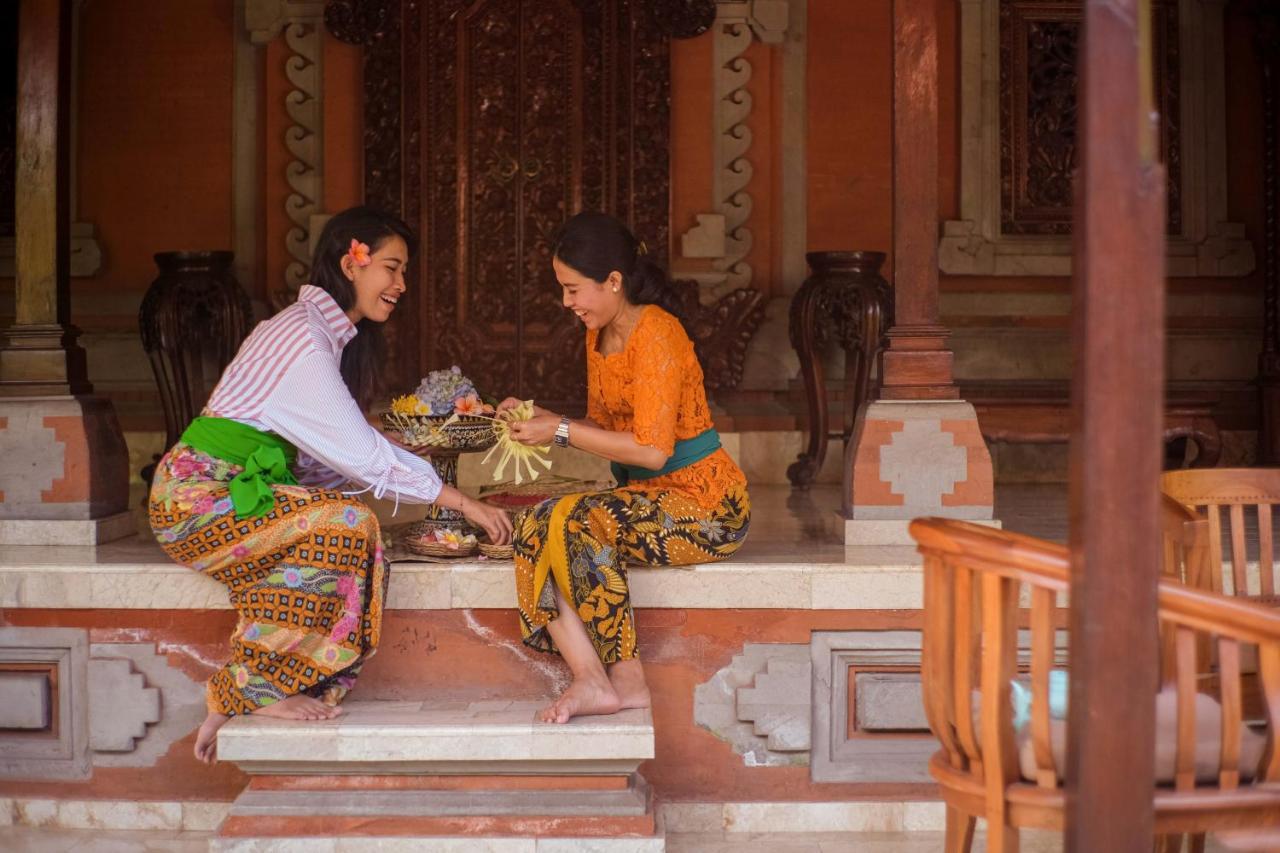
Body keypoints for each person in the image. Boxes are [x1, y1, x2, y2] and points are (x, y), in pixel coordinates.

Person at [148, 206, 512, 763]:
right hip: (197, 500)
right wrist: (459, 501)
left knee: (349, 527)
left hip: (235, 498)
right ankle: (251, 687)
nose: (400, 285)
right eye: (391, 268)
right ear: (352, 262)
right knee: (345, 523)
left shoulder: (322, 335)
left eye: (403, 272)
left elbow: (332, 462)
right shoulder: (301, 338)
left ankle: (274, 679)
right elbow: (360, 459)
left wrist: (397, 445)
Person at [501, 211, 750, 724]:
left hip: (707, 507)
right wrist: (547, 418)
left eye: (573, 289)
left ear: (614, 281)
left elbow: (652, 451)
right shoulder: (598, 336)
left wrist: (561, 431)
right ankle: (592, 679)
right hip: (649, 500)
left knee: (578, 519)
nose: (566, 302)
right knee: (535, 524)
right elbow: (602, 425)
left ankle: (629, 680)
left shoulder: (657, 333)